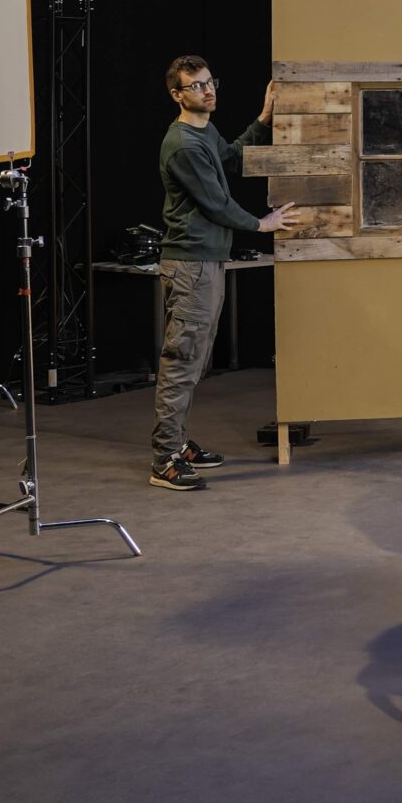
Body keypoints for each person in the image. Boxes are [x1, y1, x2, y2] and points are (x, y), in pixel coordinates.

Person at [151, 56, 290, 492]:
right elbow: (215, 202)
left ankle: (177, 444)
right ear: (177, 94)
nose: (208, 92)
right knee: (182, 361)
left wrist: (263, 119)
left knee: (194, 360)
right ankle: (164, 460)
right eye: (197, 86)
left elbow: (230, 157)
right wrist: (261, 224)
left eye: (211, 83)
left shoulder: (203, 133)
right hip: (191, 266)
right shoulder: (183, 145)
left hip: (205, 262)